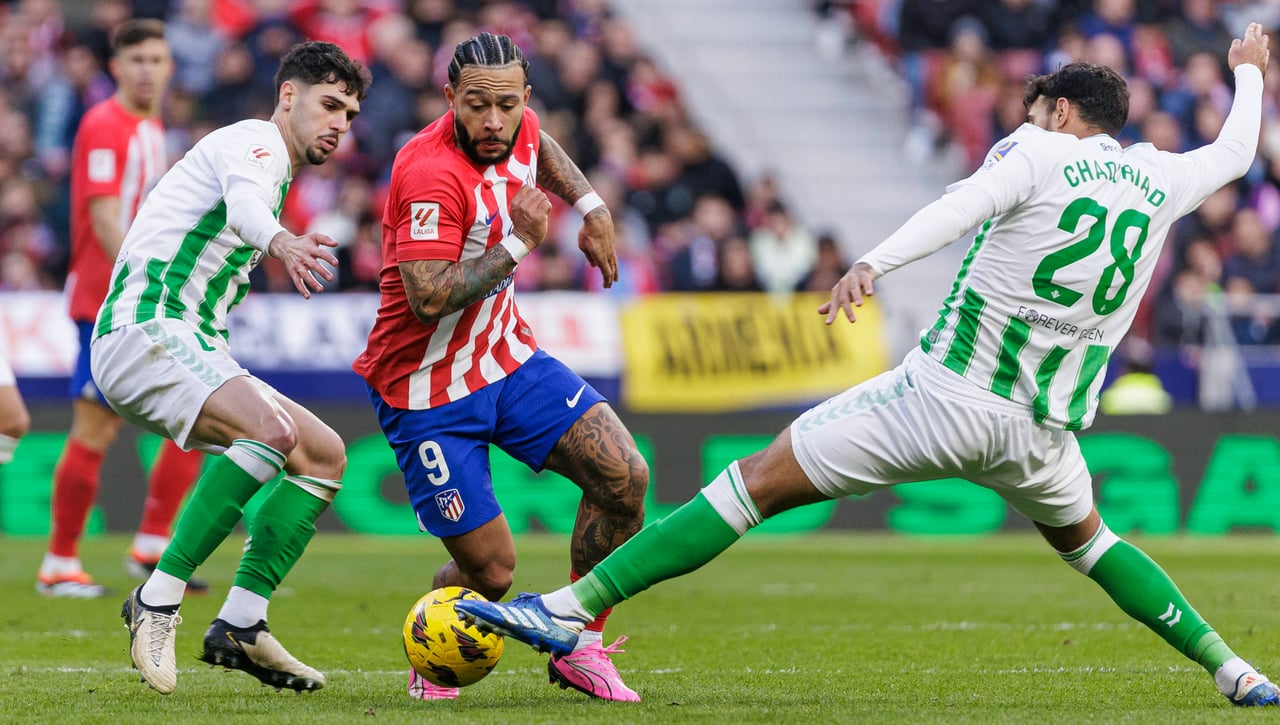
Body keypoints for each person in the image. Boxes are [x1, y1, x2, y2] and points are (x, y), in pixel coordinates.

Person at [457, 24, 1280, 708]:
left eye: (1036, 109)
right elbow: (1241, 151)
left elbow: (960, 206)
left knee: (753, 482)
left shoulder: (1037, 150)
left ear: (1060, 110)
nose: (1024, 120)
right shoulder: (1161, 176)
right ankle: (1228, 664)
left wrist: (873, 264)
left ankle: (570, 608)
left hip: (945, 397)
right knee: (1095, 544)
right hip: (1043, 435)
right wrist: (1247, 75)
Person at [353, 32, 648, 703]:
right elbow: (427, 296)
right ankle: (433, 644)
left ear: (525, 99)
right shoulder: (426, 170)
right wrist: (520, 241)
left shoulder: (521, 129)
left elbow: (541, 146)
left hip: (506, 359)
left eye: (507, 105)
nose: (494, 121)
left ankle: (581, 643)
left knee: (624, 476)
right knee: (490, 574)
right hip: (425, 389)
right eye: (477, 105)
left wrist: (594, 208)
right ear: (450, 96)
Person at [96, 40, 370, 696]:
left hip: (187, 338)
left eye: (351, 114)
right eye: (329, 105)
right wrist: (280, 240)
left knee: (325, 454)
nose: (339, 123)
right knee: (270, 433)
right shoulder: (256, 143)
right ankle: (157, 597)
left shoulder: (273, 164)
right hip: (145, 327)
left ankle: (241, 624)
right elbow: (249, 209)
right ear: (288, 97)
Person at [37, 18, 209, 600]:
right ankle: (59, 561)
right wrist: (148, 281)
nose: (146, 70)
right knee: (97, 425)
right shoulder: (105, 125)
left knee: (192, 415)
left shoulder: (152, 125)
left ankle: (153, 544)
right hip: (105, 299)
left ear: (169, 67)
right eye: (135, 60)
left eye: (155, 60)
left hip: (141, 297)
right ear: (116, 67)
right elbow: (105, 217)